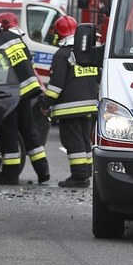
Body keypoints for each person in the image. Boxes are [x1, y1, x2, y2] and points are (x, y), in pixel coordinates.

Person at [0, 12, 50, 185]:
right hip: (28, 89)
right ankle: (43, 171)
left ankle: (10, 174)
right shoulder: (11, 36)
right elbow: (28, 60)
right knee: (29, 131)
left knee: (8, 133)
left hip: (10, 94)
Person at [43, 16, 99, 188]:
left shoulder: (62, 55)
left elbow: (56, 86)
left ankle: (79, 177)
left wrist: (44, 104)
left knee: (72, 142)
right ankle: (87, 172)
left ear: (59, 34)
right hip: (90, 105)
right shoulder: (89, 52)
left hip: (70, 108)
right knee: (84, 140)